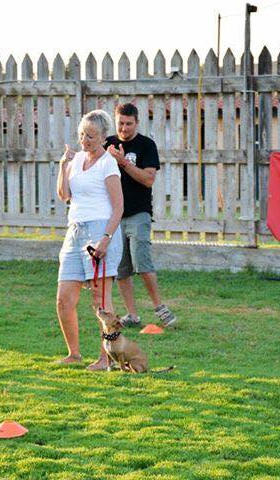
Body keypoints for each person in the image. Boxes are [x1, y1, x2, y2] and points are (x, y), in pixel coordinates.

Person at [56, 110, 123, 371]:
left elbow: (118, 207)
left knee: (100, 301)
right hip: (74, 231)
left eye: (91, 136)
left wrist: (105, 239)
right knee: (63, 299)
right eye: (82, 134)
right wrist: (63, 166)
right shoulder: (76, 160)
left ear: (104, 138)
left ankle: (107, 358)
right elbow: (64, 195)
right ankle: (73, 354)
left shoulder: (108, 164)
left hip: (100, 230)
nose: (84, 140)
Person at [105, 103, 176, 328]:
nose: (124, 128)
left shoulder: (146, 145)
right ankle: (132, 315)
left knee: (142, 262)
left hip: (138, 214)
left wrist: (123, 162)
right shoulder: (107, 144)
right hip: (114, 216)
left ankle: (160, 308)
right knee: (121, 269)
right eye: (120, 123)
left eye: (129, 124)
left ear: (137, 123)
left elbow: (148, 179)